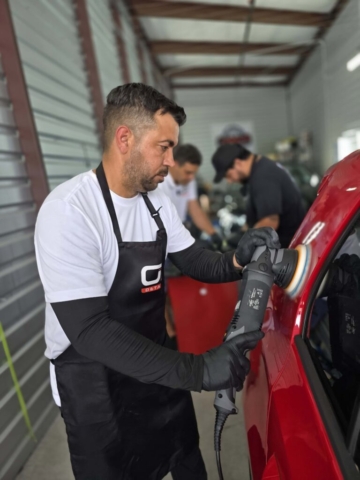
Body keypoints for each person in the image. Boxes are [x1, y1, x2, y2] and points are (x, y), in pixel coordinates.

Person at [34, 83, 279, 480]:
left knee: (184, 459)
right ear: (125, 138)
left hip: (156, 365)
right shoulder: (70, 212)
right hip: (96, 384)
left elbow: (194, 259)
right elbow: (90, 331)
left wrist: (236, 258)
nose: (171, 159)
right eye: (163, 147)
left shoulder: (156, 201)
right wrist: (198, 370)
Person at [212, 144, 306, 247]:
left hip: (287, 247)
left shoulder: (263, 177)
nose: (229, 181)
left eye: (228, 175)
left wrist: (244, 243)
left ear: (237, 163)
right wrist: (242, 232)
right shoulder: (259, 169)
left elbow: (270, 221)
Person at [158, 143, 222, 249]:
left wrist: (213, 233)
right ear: (175, 164)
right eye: (188, 172)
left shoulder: (188, 180)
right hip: (162, 239)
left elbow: (194, 209)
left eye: (194, 173)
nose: (191, 177)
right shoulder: (159, 183)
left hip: (179, 232)